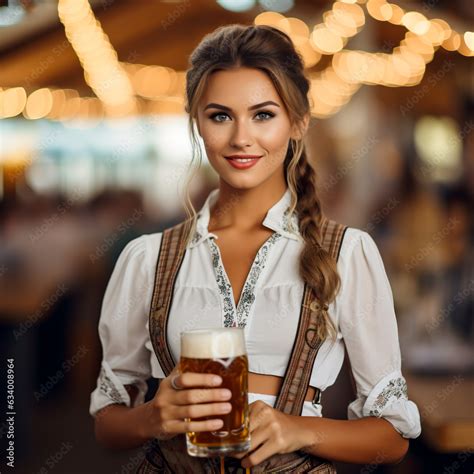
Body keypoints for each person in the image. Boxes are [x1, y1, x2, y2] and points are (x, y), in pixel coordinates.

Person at [89, 24, 421, 471]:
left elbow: (393, 436)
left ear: (298, 121)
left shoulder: (346, 253)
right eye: (220, 115)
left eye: (263, 115)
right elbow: (106, 425)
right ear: (197, 123)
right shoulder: (147, 259)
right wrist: (152, 417)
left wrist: (299, 428)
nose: (241, 138)